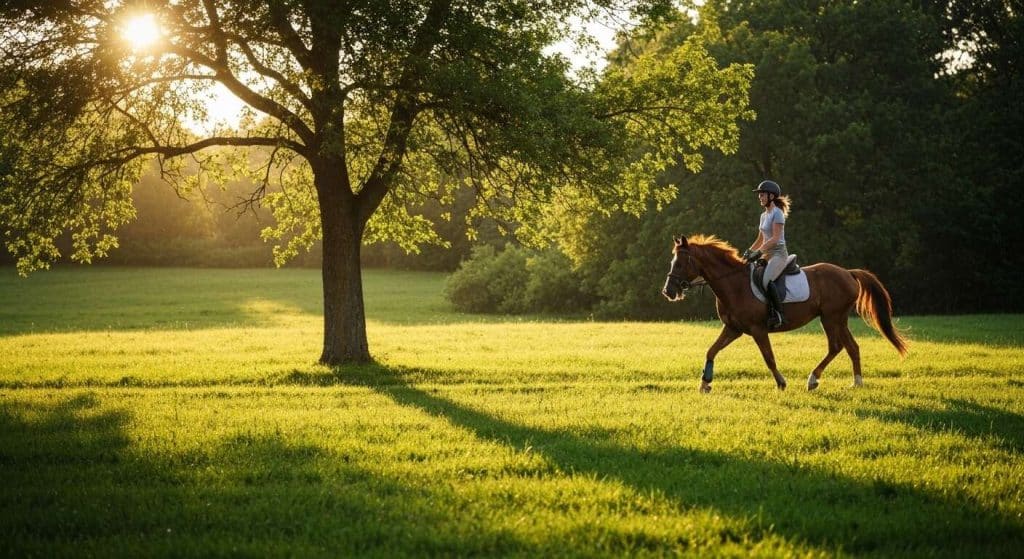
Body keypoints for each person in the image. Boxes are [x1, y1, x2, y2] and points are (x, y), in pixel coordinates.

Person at [741, 180, 791, 329]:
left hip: (778, 254)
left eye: (762, 194)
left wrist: (759, 252)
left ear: (771, 196)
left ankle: (778, 314)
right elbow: (761, 238)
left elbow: (775, 239)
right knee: (751, 275)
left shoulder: (778, 214)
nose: (760, 197)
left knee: (765, 280)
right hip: (766, 253)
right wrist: (749, 251)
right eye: (759, 195)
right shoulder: (764, 216)